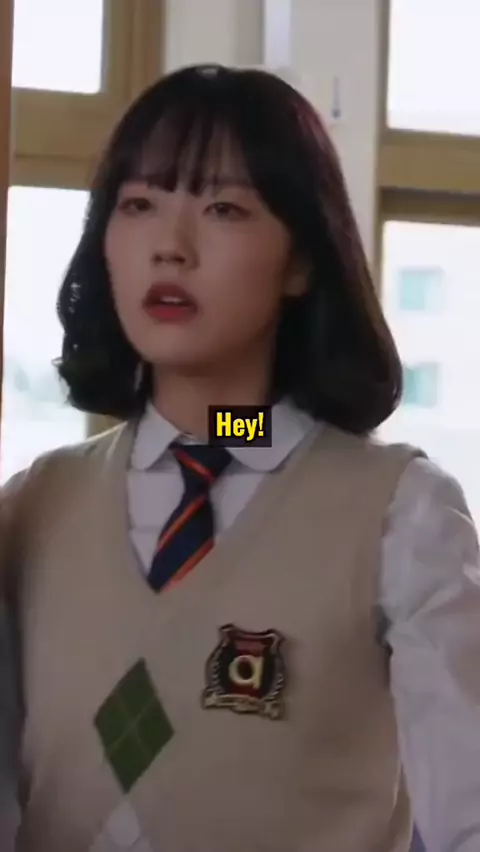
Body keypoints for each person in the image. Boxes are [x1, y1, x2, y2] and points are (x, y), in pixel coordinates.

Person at [1, 63, 479, 852]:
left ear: (302, 261)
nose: (170, 247)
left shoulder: (399, 512)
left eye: (223, 208)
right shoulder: (35, 505)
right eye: (139, 204)